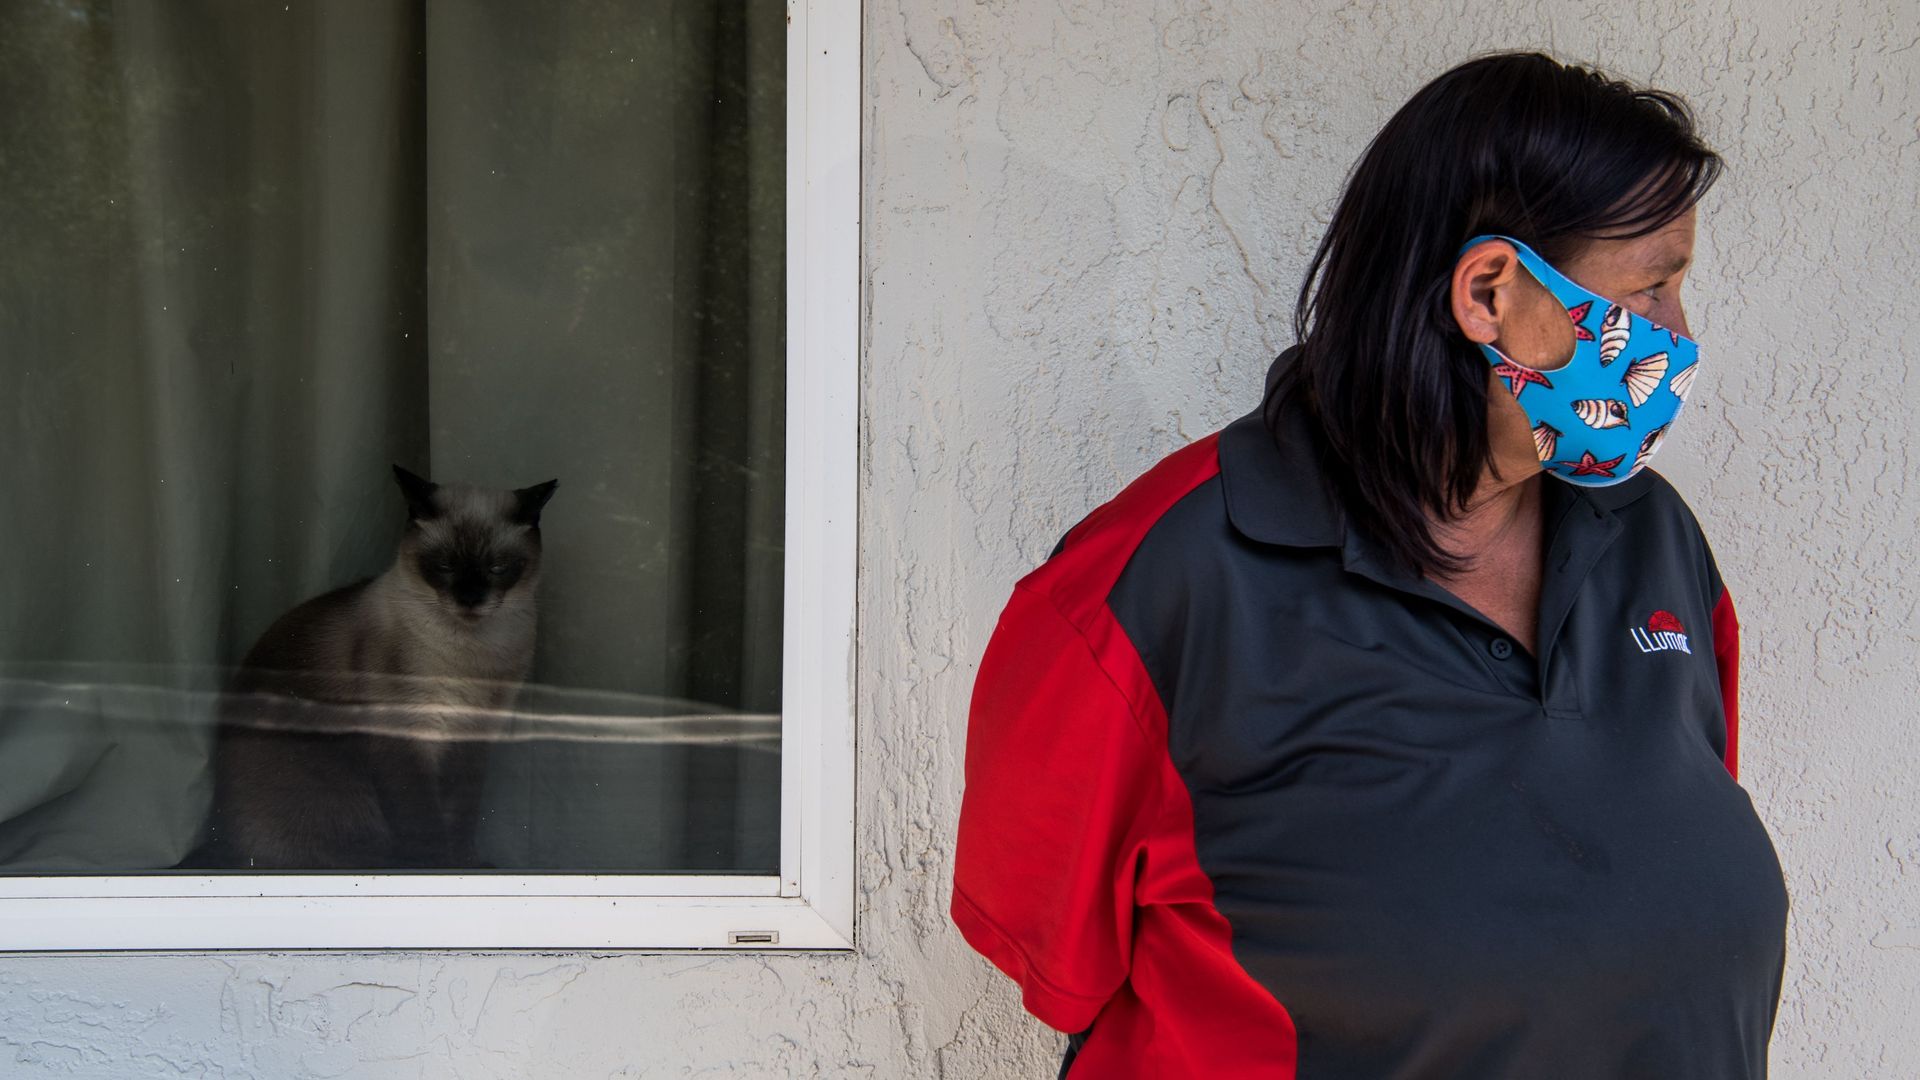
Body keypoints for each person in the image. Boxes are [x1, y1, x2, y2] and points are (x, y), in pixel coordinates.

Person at [949, 51, 1789, 1078]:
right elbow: (1053, 958)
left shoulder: (1654, 542)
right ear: (1490, 293)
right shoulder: (1156, 584)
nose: (1679, 336)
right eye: (1651, 290)